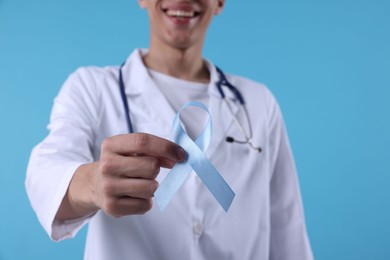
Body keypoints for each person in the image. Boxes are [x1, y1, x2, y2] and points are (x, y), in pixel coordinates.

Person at [26, 0, 313, 259]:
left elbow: (288, 235)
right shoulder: (92, 88)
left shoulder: (258, 101)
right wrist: (92, 184)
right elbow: (45, 173)